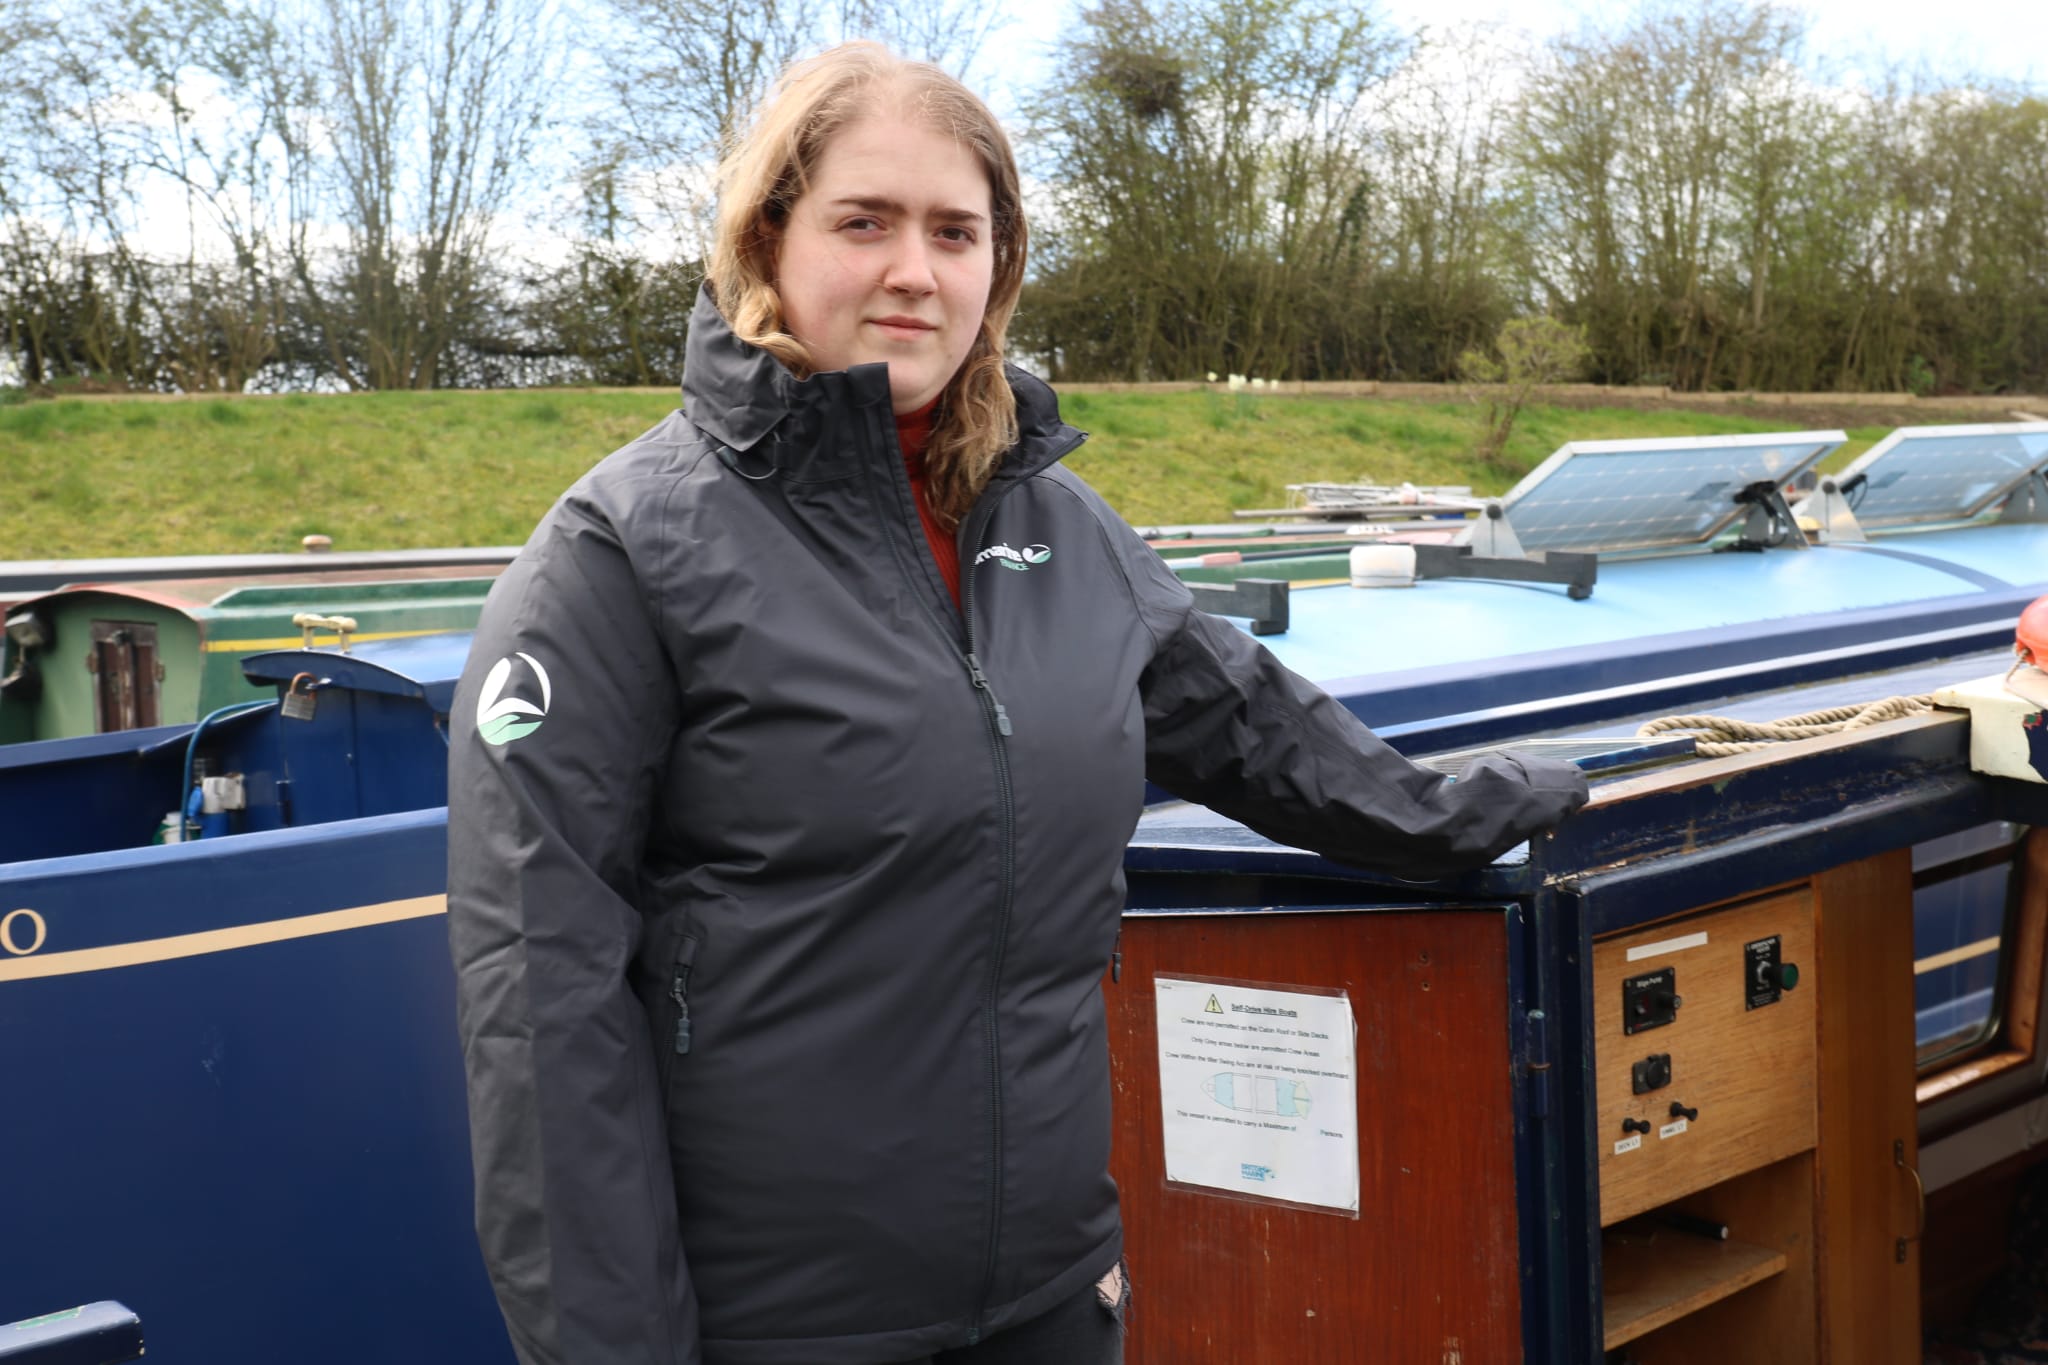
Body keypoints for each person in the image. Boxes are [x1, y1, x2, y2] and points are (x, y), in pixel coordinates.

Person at [445, 41, 1588, 1365]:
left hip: (1052, 1299)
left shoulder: (1062, 530)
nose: (912, 270)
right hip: (789, 1326)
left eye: (954, 230)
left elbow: (1263, 734)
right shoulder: (620, 557)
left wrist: (1498, 805)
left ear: (1001, 265)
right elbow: (538, 1015)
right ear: (767, 239)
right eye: (863, 222)